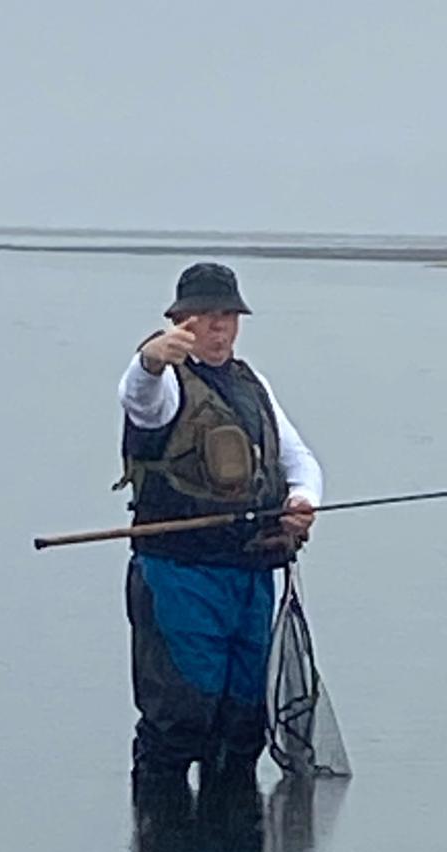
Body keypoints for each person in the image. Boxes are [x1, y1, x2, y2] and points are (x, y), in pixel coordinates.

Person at [117, 261, 322, 801]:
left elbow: (299, 460)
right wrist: (148, 361)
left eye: (227, 315)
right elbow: (139, 398)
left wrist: (302, 502)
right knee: (181, 718)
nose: (217, 326)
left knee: (242, 723)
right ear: (178, 321)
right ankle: (160, 838)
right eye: (204, 315)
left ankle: (233, 838)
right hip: (178, 576)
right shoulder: (162, 385)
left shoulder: (252, 385)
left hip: (250, 576)